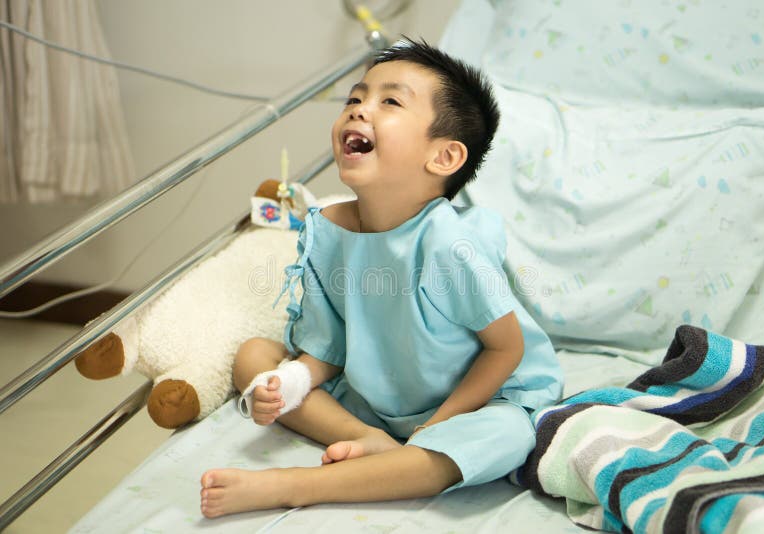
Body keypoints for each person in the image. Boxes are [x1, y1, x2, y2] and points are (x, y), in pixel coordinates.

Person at [200, 38, 563, 519]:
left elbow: (505, 349)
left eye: (389, 102)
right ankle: (369, 442)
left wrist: (437, 428)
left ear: (443, 158)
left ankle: (296, 485)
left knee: (506, 436)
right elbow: (329, 347)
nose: (359, 109)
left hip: (474, 400)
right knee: (253, 356)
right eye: (355, 98)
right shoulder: (327, 230)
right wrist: (290, 381)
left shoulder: (449, 245)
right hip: (375, 396)